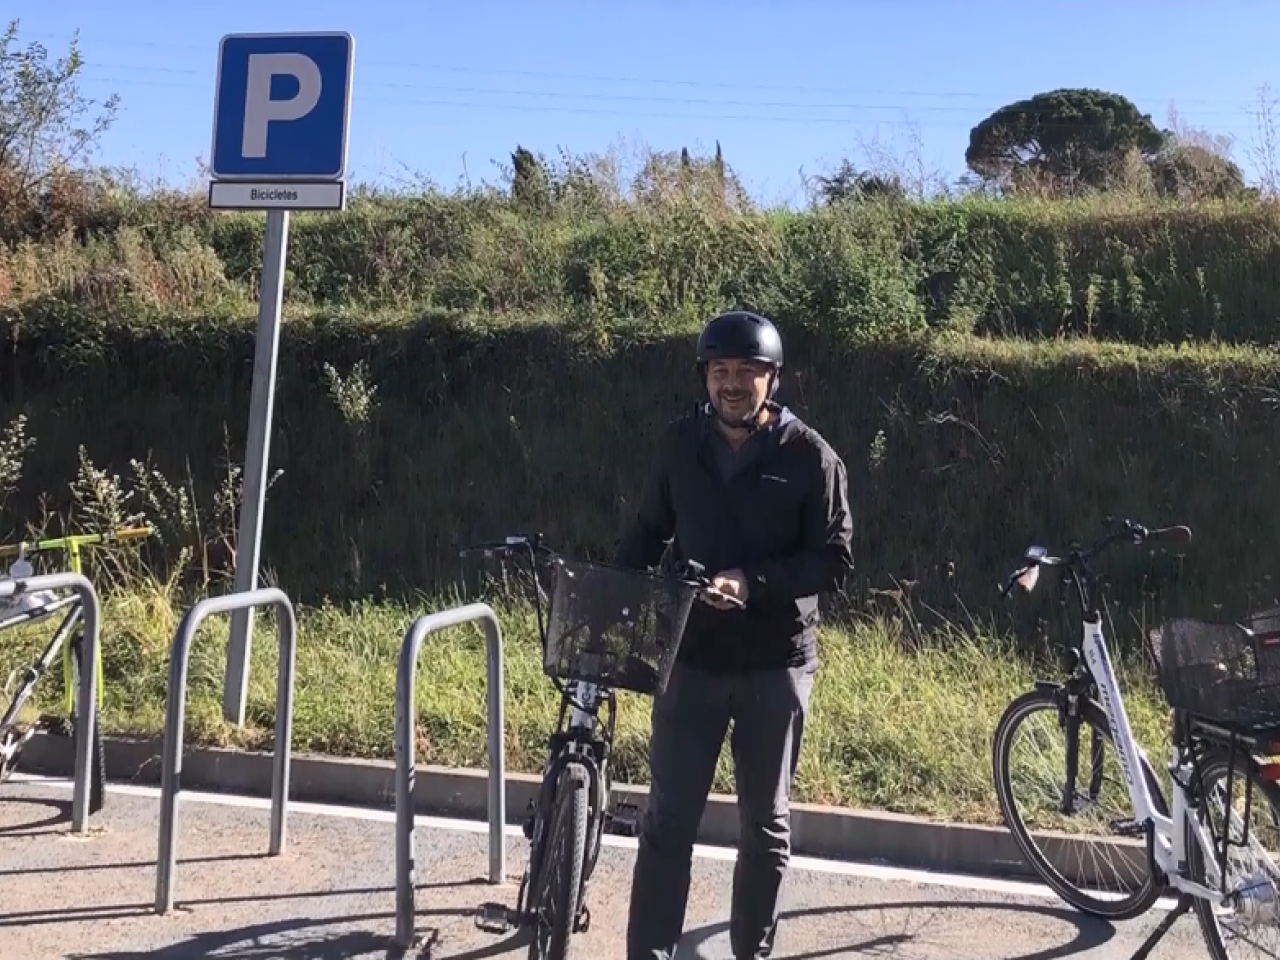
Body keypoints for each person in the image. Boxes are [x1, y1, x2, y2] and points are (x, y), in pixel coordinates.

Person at [616, 310, 854, 960]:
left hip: (774, 666)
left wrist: (754, 583)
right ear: (705, 377)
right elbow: (648, 530)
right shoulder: (679, 445)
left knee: (764, 826)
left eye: (746, 373)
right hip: (690, 660)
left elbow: (834, 560)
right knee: (666, 824)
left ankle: (752, 951)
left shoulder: (809, 457)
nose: (731, 384)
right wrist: (610, 594)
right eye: (720, 371)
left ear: (771, 380)